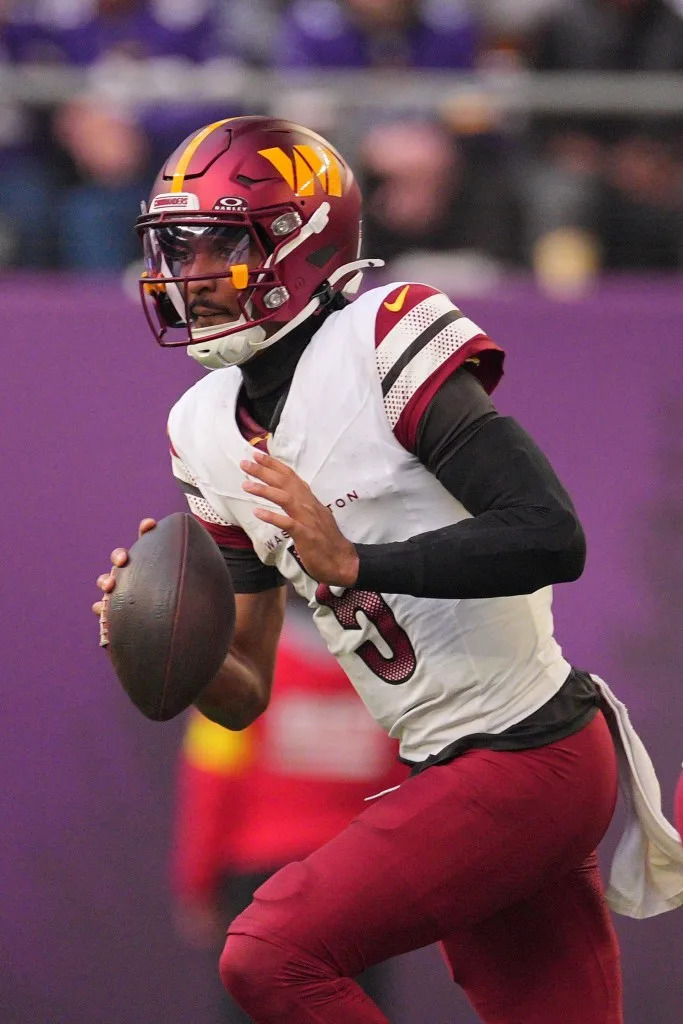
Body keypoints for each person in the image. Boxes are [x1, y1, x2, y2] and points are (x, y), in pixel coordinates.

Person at [93, 114, 683, 1024]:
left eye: (218, 245)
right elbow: (244, 693)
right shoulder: (201, 429)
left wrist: (355, 557)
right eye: (174, 248)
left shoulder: (384, 334)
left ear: (297, 244)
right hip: (449, 766)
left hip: (527, 754)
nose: (188, 278)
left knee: (271, 952)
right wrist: (162, 638)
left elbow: (549, 533)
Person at [171, 593, 405, 1022]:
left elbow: (211, 783)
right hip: (357, 881)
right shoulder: (392, 674)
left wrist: (198, 882)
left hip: (258, 886)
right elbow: (403, 785)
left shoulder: (237, 674)